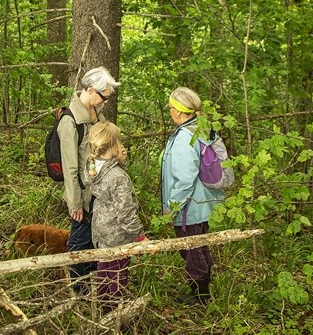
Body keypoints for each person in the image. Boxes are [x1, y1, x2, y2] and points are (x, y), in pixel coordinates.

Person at [58, 66, 120, 293]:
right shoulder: (70, 121)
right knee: (79, 241)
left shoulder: (97, 114)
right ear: (91, 90)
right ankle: (77, 289)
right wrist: (74, 202)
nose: (106, 101)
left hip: (99, 192)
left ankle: (92, 282)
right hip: (83, 195)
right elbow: (70, 167)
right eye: (104, 96)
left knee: (96, 238)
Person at [160, 86, 224, 304]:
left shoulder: (183, 138)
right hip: (203, 203)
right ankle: (203, 287)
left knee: (191, 249)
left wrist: (172, 206)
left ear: (178, 111)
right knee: (198, 246)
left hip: (190, 209)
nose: (170, 111)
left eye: (170, 108)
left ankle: (200, 294)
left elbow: (185, 179)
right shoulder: (200, 129)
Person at [84, 121, 146, 309]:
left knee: (104, 269)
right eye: (118, 141)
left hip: (101, 228)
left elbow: (105, 182)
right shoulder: (117, 176)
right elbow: (126, 213)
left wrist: (119, 162)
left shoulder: (92, 165)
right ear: (112, 146)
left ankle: (102, 305)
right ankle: (116, 313)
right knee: (118, 274)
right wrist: (140, 236)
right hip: (117, 233)